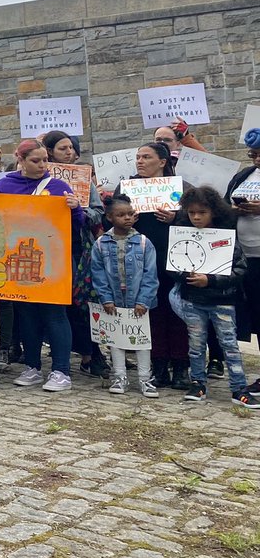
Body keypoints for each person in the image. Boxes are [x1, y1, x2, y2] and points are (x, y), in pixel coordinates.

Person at [0, 139, 83, 393]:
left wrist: (75, 210)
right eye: (36, 160)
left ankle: (61, 370)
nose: (43, 165)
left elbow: (77, 227)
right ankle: (32, 366)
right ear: (20, 160)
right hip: (19, 259)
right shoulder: (4, 185)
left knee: (55, 315)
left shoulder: (58, 187)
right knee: (27, 314)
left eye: (45, 159)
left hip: (54, 261)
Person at [168, 188, 258, 408]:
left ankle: (238, 388)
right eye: (191, 213)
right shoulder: (183, 236)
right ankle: (198, 383)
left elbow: (239, 269)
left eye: (202, 212)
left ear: (214, 212)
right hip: (193, 300)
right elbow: (172, 265)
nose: (196, 217)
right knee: (196, 345)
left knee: (229, 344)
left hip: (222, 301)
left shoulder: (225, 237)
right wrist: (185, 275)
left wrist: (211, 280)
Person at [115, 142, 189, 390]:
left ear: (162, 161)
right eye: (137, 157)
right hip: (140, 262)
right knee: (150, 313)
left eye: (146, 157)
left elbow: (199, 219)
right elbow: (113, 219)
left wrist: (175, 217)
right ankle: (158, 365)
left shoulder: (180, 188)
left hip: (174, 259)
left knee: (177, 313)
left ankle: (180, 366)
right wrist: (127, 220)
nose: (140, 161)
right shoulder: (126, 189)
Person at [41, 130, 107, 379]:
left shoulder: (83, 179)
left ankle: (92, 353)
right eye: (63, 148)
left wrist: (78, 209)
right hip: (48, 246)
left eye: (71, 148)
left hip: (79, 246)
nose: (69, 152)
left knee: (83, 302)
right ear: (49, 152)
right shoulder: (41, 179)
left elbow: (98, 213)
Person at [90, 194, 159, 397]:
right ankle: (119, 376)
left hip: (138, 299)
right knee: (115, 338)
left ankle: (145, 378)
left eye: (130, 214)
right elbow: (98, 273)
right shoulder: (101, 244)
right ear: (110, 217)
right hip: (114, 299)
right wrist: (106, 298)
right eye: (121, 215)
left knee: (141, 339)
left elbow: (150, 274)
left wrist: (143, 300)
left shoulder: (144, 243)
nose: (127, 218)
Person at [227, 129, 260, 394]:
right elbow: (225, 207)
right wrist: (235, 209)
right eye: (252, 154)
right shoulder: (243, 177)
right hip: (248, 258)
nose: (256, 159)